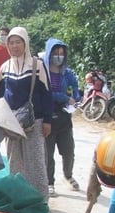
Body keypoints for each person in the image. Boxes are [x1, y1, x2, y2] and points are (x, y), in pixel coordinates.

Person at [0, 26, 53, 202]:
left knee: (35, 162)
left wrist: (47, 121)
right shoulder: (5, 67)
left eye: (18, 42)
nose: (14, 46)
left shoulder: (37, 65)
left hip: (34, 121)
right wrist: (1, 120)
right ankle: (20, 200)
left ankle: (40, 201)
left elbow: (47, 94)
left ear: (25, 43)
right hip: (11, 123)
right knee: (15, 162)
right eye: (11, 43)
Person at [43, 37, 82, 197]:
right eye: (55, 53)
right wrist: (64, 98)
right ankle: (49, 182)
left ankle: (68, 175)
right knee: (48, 153)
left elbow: (76, 89)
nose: (58, 56)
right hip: (48, 117)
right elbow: (46, 94)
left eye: (61, 53)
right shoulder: (43, 72)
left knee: (68, 150)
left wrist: (76, 97)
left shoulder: (68, 73)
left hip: (65, 117)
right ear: (49, 53)